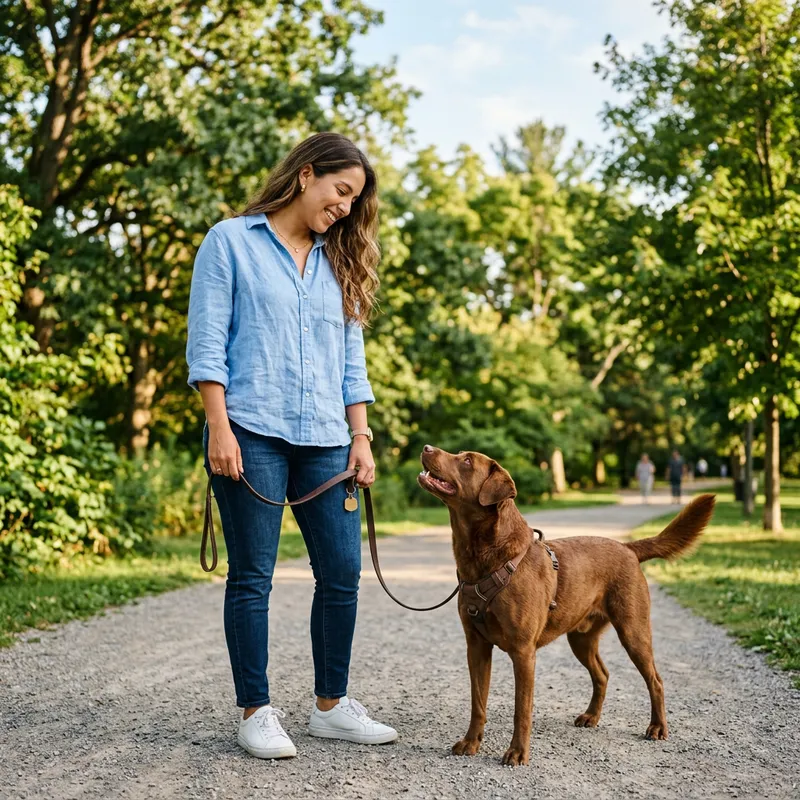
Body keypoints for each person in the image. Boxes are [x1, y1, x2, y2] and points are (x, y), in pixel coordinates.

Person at [186, 132, 396, 760]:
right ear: (306, 176)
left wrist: (361, 436)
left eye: (355, 201)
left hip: (328, 440)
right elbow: (207, 345)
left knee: (342, 572)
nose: (346, 208)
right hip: (250, 430)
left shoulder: (341, 262)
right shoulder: (230, 242)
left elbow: (350, 361)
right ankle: (256, 710)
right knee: (252, 576)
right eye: (341, 191)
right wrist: (218, 427)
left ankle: (330, 706)